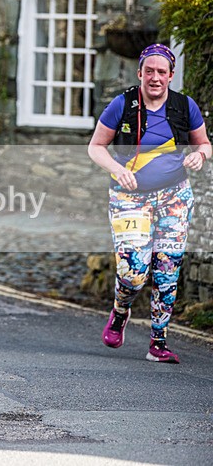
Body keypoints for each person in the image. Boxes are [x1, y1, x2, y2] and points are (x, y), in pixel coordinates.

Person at [88, 43, 211, 364]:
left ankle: (159, 342)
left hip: (174, 196)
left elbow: (205, 144)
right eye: (149, 71)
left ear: (171, 76)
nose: (155, 77)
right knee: (134, 273)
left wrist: (199, 155)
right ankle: (120, 311)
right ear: (140, 73)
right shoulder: (122, 104)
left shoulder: (185, 107)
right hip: (129, 197)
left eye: (162, 72)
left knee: (168, 269)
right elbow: (96, 147)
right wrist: (116, 169)